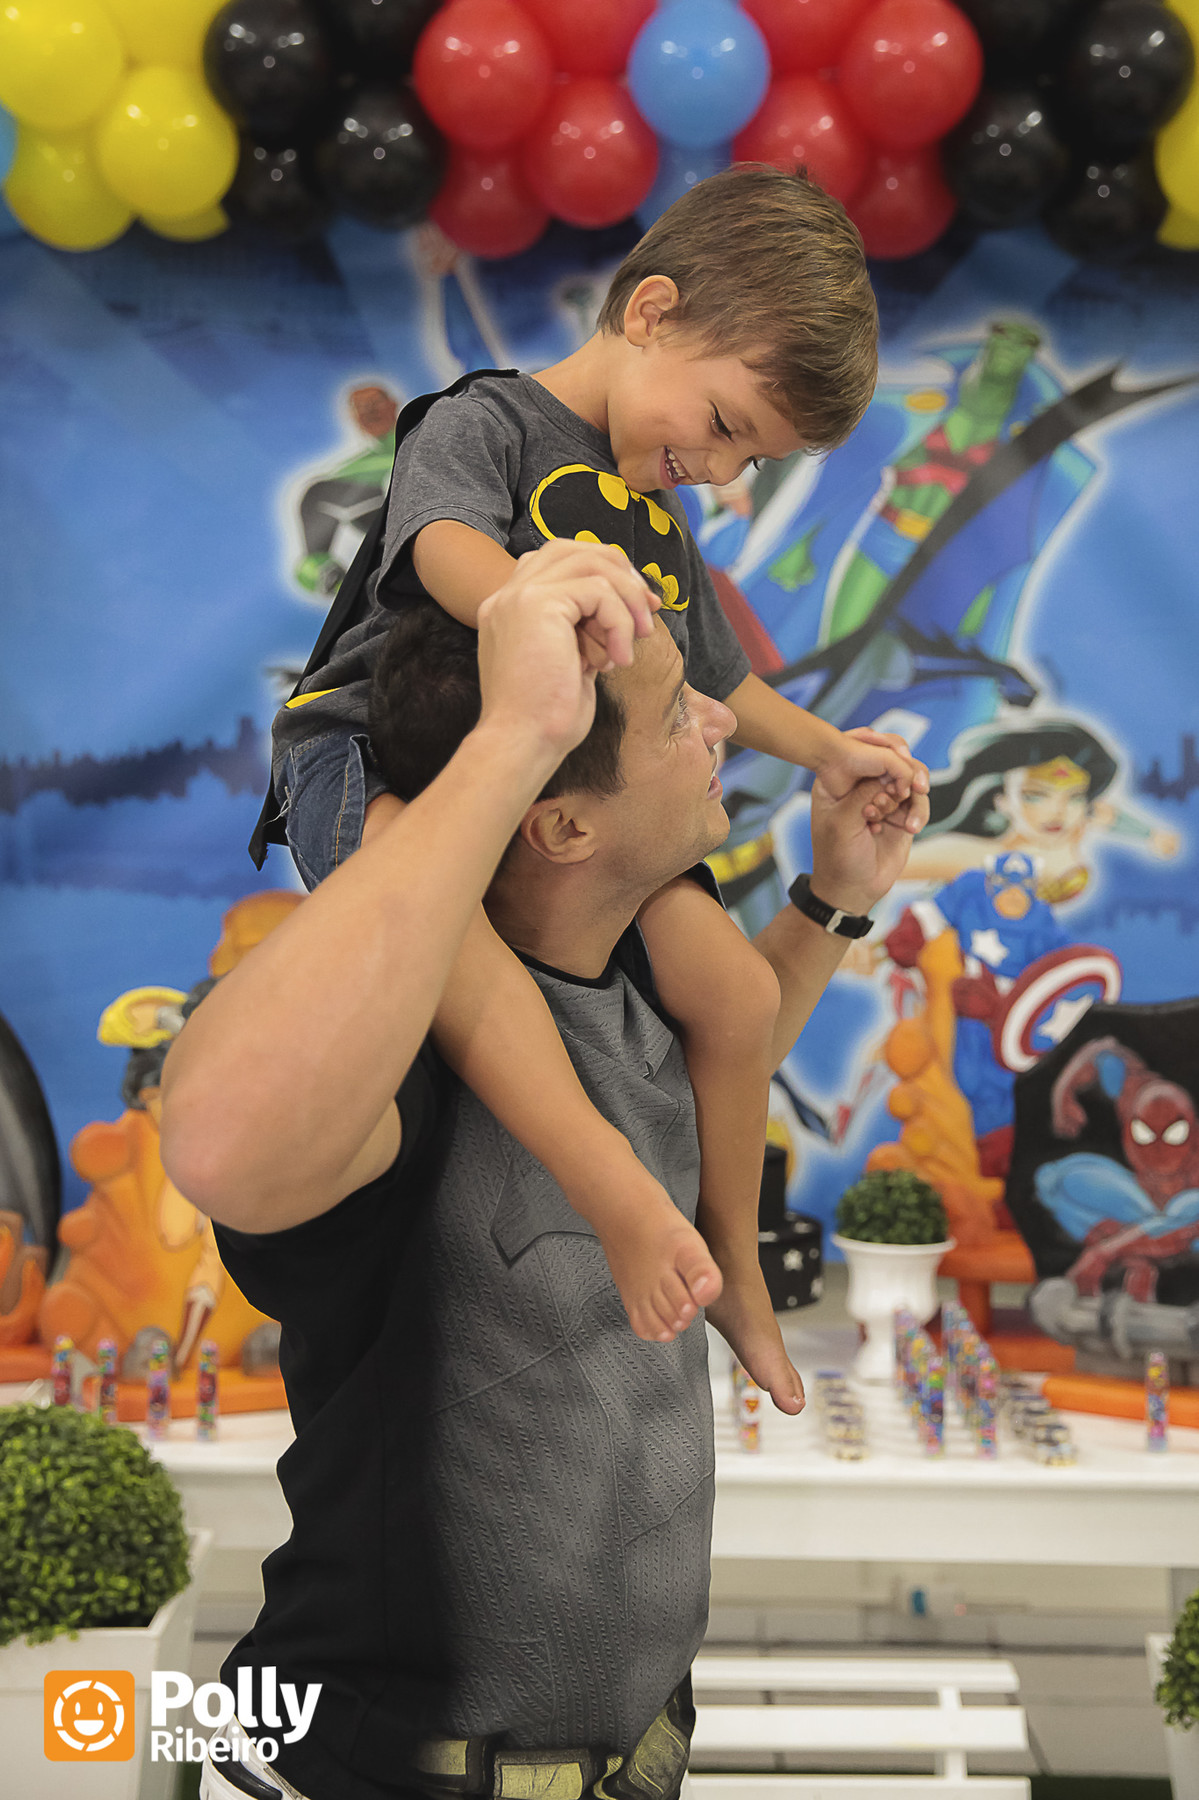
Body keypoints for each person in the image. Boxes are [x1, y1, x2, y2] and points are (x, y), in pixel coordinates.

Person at [164, 541, 927, 1800]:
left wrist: (832, 900)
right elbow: (217, 1142)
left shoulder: (630, 993)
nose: (719, 725)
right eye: (675, 715)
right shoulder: (399, 1061)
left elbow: (691, 1089)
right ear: (562, 820)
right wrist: (512, 733)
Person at [258, 166, 926, 1405]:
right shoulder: (485, 421)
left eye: (748, 457)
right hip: (374, 753)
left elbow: (724, 677)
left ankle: (734, 1252)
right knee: (457, 955)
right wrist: (530, 606)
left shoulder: (657, 514)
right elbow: (440, 543)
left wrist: (828, 753)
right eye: (723, 423)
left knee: (732, 989)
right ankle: (614, 1194)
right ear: (651, 311)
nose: (716, 468)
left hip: (564, 796)